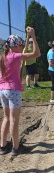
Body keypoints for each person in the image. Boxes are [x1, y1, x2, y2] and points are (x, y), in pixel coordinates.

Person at [0, 27, 41, 156]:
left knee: (6, 118)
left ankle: (3, 146)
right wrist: (33, 36)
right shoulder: (16, 56)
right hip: (13, 91)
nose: (22, 46)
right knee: (14, 120)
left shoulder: (3, 56)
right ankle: (16, 148)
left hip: (2, 90)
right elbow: (36, 54)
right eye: (21, 45)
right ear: (16, 46)